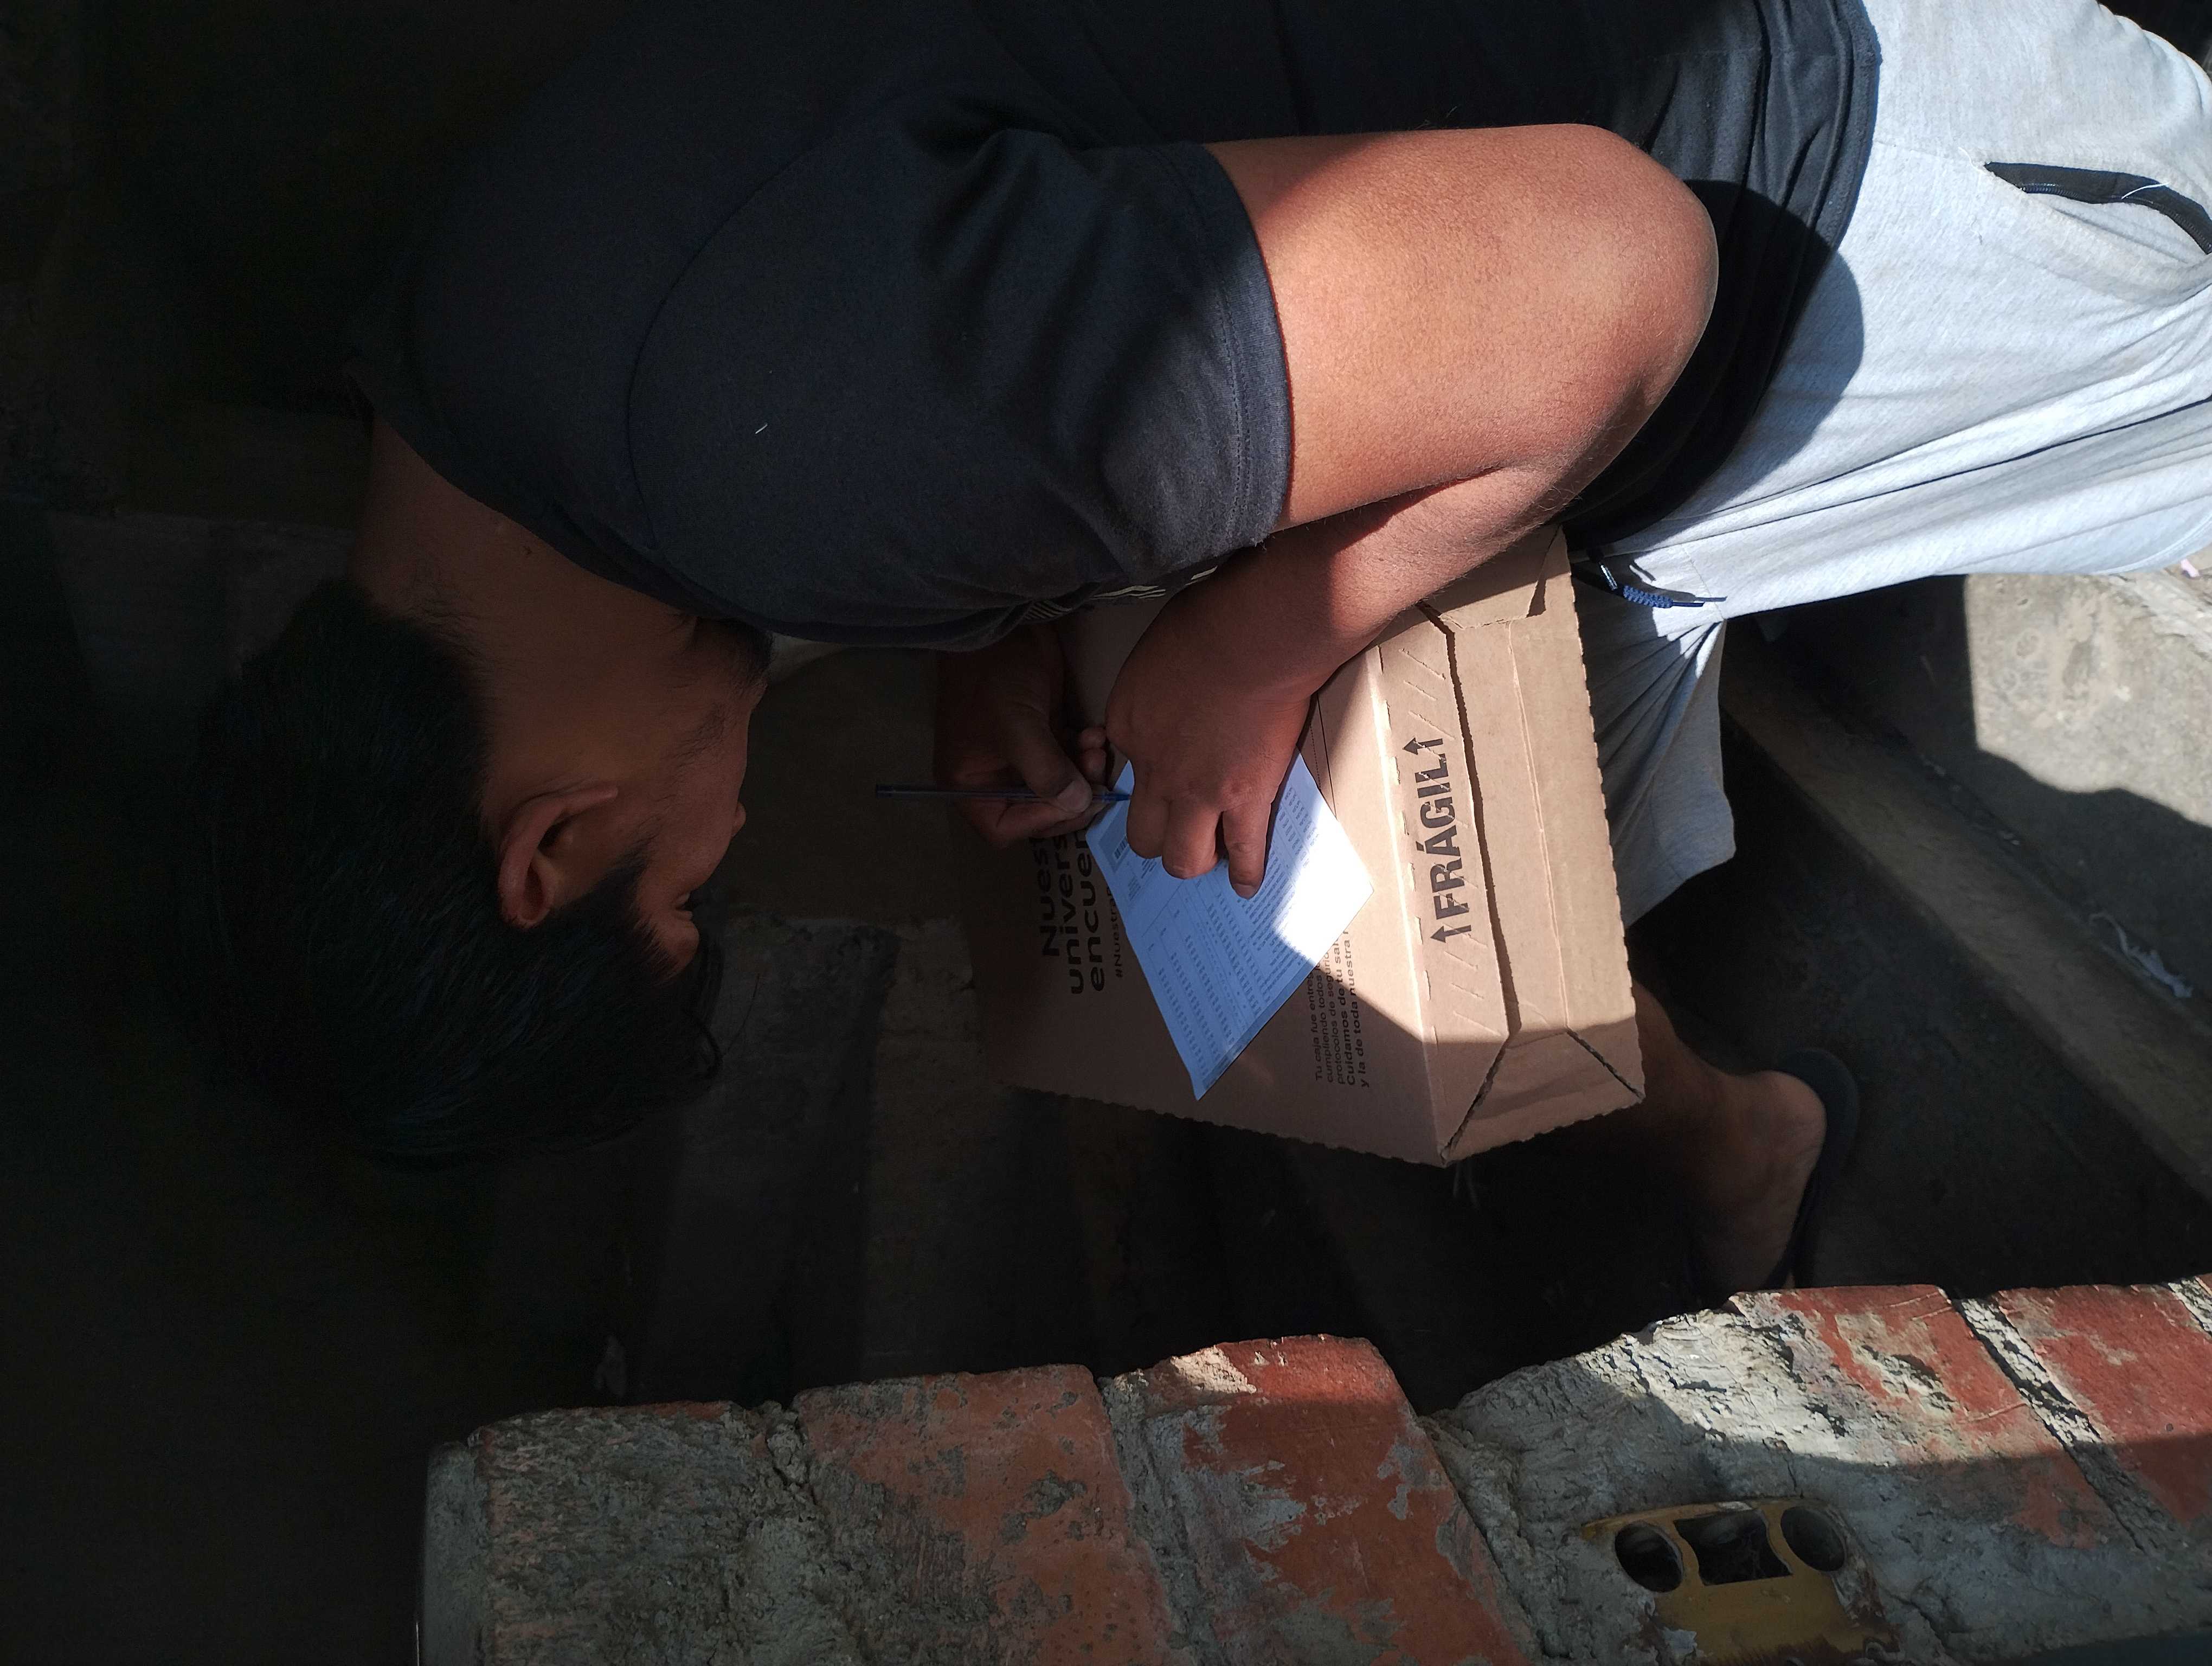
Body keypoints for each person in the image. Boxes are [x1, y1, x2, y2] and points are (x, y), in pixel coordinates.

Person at [175, 0, 2211, 1299]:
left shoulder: (802, 449)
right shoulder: (468, 344)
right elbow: (953, 234)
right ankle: (1730, 1145)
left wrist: (1248, 646)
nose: (730, 841)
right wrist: (987, 612)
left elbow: (1616, 271)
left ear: (550, 843)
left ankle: (1718, 1142)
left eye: (686, 891)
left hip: (1846, 190)